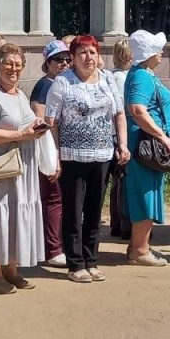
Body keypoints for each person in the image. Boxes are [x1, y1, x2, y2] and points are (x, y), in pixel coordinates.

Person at [45, 35, 129, 283]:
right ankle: (75, 263)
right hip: (72, 158)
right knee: (73, 211)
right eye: (82, 53)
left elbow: (119, 113)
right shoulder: (62, 83)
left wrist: (122, 144)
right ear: (73, 58)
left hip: (102, 156)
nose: (88, 57)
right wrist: (55, 157)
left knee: (94, 211)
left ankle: (91, 260)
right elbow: (52, 123)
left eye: (92, 52)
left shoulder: (108, 79)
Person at [0, 43, 48, 293]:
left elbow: (24, 120)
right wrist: (22, 133)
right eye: (8, 63)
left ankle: (11, 270)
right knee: (0, 216)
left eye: (18, 65)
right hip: (0, 167)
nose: (13, 69)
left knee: (17, 215)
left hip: (23, 166)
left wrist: (36, 124)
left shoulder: (20, 94)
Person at [123, 30, 170, 267]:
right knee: (146, 195)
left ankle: (137, 245)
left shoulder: (143, 73)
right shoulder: (142, 76)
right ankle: (140, 250)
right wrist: (162, 136)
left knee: (148, 193)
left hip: (148, 144)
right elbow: (137, 109)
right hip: (147, 146)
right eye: (157, 48)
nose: (162, 52)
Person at [29, 40, 70, 268]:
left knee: (57, 199)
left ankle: (55, 245)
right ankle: (53, 249)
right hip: (49, 151)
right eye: (58, 59)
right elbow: (43, 123)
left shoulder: (58, 84)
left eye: (67, 59)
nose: (64, 63)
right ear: (48, 63)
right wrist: (53, 156)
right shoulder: (46, 85)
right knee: (54, 200)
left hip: (58, 150)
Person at [108, 39, 133, 239]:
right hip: (120, 134)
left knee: (119, 182)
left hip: (116, 134)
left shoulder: (113, 75)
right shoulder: (121, 78)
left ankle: (117, 224)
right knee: (122, 181)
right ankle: (124, 225)